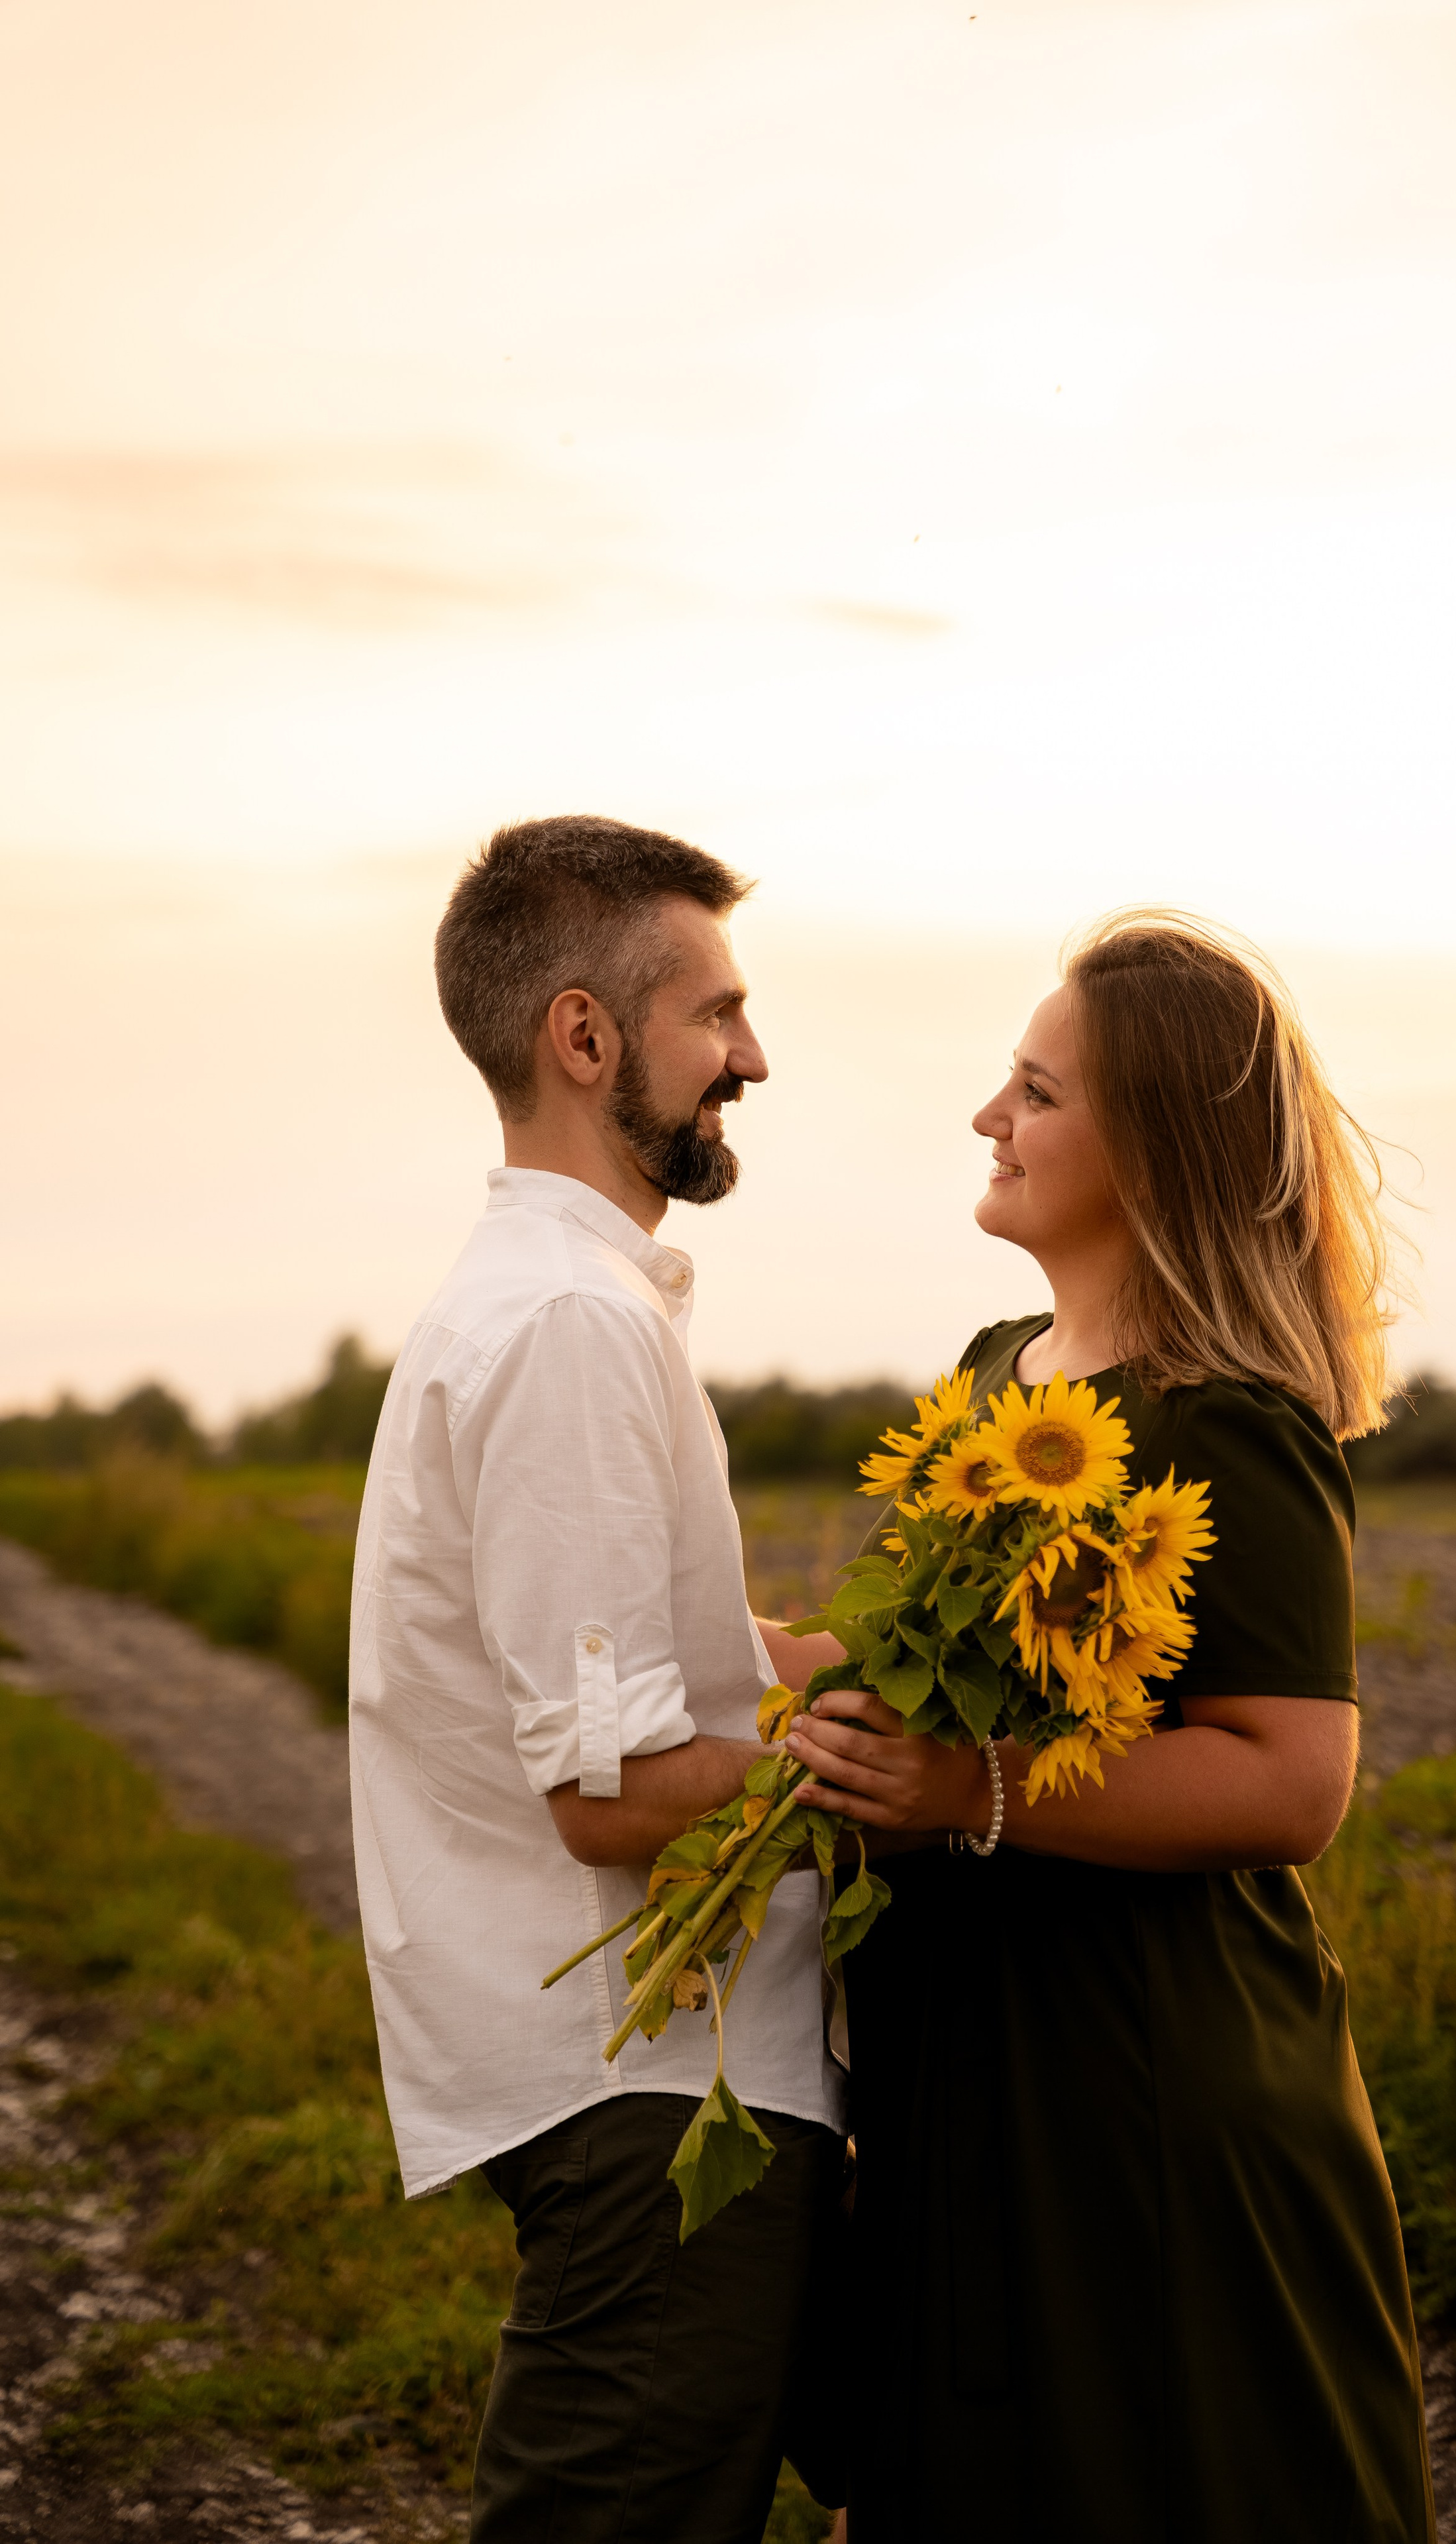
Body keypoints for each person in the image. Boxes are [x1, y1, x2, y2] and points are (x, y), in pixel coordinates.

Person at [783, 910, 1437, 2543]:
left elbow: (1294, 1779)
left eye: (1033, 1090)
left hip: (1143, 2069)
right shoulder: (996, 1371)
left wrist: (966, 1790)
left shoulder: (1229, 1418)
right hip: (968, 2059)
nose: (987, 1118)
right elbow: (875, 1660)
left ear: (1147, 1144)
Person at [349, 816, 847, 2544]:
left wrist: (863, 1655)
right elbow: (612, 1792)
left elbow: (641, 1678)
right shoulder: (567, 1326)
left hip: (646, 2079)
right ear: (584, 1037)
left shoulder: (571, 1305)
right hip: (644, 2092)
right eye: (715, 1013)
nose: (752, 1058)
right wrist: (900, 1769)